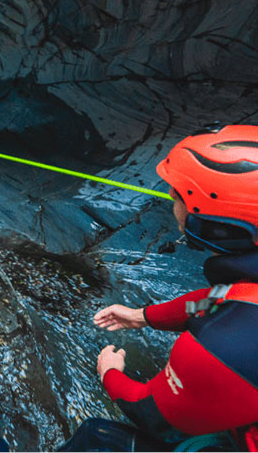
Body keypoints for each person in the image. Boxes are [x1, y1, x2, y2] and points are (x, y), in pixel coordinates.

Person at [60, 124, 258, 451]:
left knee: (97, 439)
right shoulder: (242, 304)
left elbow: (149, 411)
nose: (169, 195)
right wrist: (143, 316)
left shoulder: (219, 350)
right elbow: (222, 302)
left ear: (217, 223)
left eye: (180, 194)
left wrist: (109, 372)